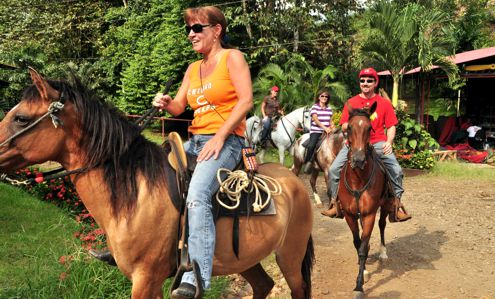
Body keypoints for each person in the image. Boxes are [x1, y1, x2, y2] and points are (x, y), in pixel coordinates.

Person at [152, 6, 253, 298]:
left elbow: (246, 101)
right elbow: (179, 107)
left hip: (228, 140)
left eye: (197, 28)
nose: (190, 35)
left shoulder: (231, 58)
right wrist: (166, 101)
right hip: (194, 140)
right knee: (152, 176)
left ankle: (196, 277)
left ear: (216, 30)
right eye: (189, 29)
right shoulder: (193, 69)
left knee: (196, 197)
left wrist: (220, 136)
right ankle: (143, 249)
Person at [321, 67, 411, 223]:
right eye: (362, 80)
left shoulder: (384, 103)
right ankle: (335, 204)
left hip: (378, 143)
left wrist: (389, 142)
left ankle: (395, 206)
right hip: (354, 145)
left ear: (375, 83)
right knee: (334, 169)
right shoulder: (351, 102)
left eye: (369, 80)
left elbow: (391, 126)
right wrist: (351, 125)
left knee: (396, 170)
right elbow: (343, 124)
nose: (365, 83)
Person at [302, 89, 335, 173]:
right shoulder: (315, 107)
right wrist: (325, 128)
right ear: (319, 97)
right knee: (312, 145)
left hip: (327, 131)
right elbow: (315, 119)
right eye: (322, 96)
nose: (324, 98)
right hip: (316, 131)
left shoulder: (329, 108)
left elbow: (330, 121)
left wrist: (333, 126)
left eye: (326, 96)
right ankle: (307, 162)